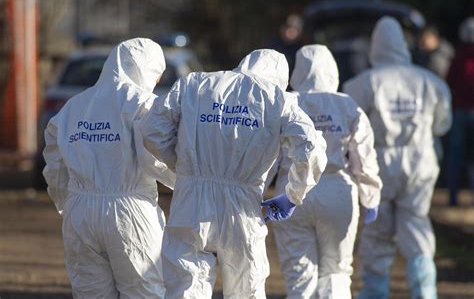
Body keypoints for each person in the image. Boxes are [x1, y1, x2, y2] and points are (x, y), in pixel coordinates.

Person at [139, 49, 328, 298]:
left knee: (186, 285)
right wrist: (293, 194)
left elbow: (152, 130)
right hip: (242, 207)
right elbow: (311, 149)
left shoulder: (196, 83)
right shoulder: (278, 99)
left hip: (191, 200)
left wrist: (184, 168)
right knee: (245, 287)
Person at [43, 38, 173, 298]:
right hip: (130, 213)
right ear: (145, 69)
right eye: (156, 75)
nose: (157, 82)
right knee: (144, 291)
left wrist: (67, 204)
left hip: (79, 213)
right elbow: (157, 157)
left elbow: (55, 165)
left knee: (90, 292)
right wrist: (189, 183)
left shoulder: (73, 107)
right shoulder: (142, 104)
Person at [343, 17, 452, 299]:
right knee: (416, 224)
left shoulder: (364, 82)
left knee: (376, 229)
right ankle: (424, 290)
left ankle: (375, 290)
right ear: (403, 45)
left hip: (377, 163)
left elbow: (348, 122)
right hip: (420, 162)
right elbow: (443, 124)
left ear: (375, 47)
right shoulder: (430, 81)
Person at [271, 44, 382, 298]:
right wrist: (370, 196)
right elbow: (362, 159)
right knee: (337, 271)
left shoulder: (285, 102)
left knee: (298, 272)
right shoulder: (346, 105)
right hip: (338, 191)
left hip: (292, 192)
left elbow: (268, 155)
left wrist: (257, 194)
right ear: (332, 70)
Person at [446, 17, 474, 206]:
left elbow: (449, 82)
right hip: (466, 110)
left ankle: (453, 197)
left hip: (460, 111)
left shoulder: (459, 55)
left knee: (455, 156)